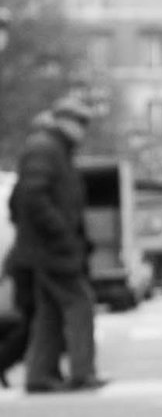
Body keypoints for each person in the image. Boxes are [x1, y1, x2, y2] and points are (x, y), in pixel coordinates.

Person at [14, 98, 99, 395]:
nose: (83, 130)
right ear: (63, 119)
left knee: (50, 311)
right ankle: (81, 372)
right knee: (80, 304)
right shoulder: (45, 148)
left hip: (47, 246)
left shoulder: (53, 149)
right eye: (80, 122)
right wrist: (61, 235)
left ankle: (40, 375)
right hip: (51, 248)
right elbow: (31, 198)